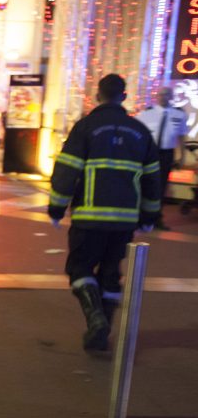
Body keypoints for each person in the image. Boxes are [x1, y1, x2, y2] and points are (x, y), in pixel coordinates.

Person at [48, 74, 161, 354]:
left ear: (98, 95)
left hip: (89, 217)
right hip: (124, 221)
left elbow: (67, 171)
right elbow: (152, 179)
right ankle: (101, 332)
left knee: (80, 268)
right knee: (111, 273)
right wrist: (149, 216)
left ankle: (95, 319)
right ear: (124, 97)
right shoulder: (140, 132)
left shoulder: (85, 127)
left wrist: (56, 208)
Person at [135, 86, 189, 230]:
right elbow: (138, 134)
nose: (163, 97)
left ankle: (157, 219)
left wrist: (182, 156)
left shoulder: (179, 114)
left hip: (166, 154)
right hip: (149, 153)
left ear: (171, 96)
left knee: (161, 186)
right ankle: (140, 217)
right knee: (143, 183)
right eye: (160, 94)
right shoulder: (147, 113)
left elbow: (181, 137)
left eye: (166, 94)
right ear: (156, 96)